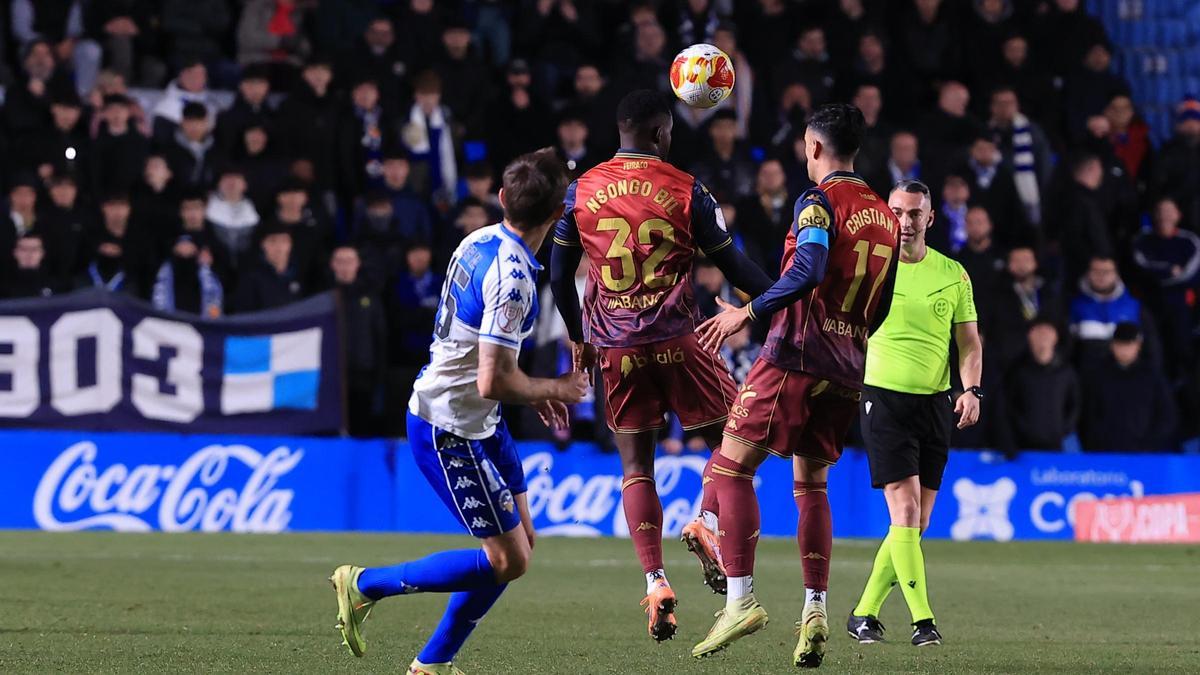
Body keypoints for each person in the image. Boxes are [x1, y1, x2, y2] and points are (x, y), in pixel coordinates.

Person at [329, 149, 589, 674]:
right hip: (448, 426)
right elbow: (493, 377)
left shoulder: (480, 239)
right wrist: (554, 388)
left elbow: (487, 368)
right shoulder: (514, 278)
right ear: (559, 215)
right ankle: (363, 586)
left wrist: (534, 391)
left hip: (479, 418)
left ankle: (432, 663)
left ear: (500, 201)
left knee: (521, 547)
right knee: (507, 559)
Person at [549, 90, 775, 642]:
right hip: (679, 340)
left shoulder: (581, 191)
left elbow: (556, 274)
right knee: (737, 443)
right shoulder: (687, 189)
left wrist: (578, 339)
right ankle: (707, 519)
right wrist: (780, 297)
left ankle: (655, 581)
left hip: (615, 348)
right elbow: (733, 263)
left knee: (636, 468)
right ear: (660, 133)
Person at [691, 103, 899, 666]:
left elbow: (807, 269)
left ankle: (740, 600)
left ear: (813, 148)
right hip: (847, 367)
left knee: (731, 467)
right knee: (811, 487)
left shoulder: (818, 202)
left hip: (795, 357)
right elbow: (881, 305)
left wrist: (748, 312)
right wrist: (850, 339)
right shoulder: (886, 216)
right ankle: (815, 609)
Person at [846, 178, 981, 648]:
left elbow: (968, 341)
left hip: (936, 404)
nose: (905, 221)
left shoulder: (953, 273)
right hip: (883, 399)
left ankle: (863, 613)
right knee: (904, 512)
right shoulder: (871, 269)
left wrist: (972, 390)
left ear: (930, 219)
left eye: (913, 213)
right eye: (897, 212)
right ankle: (924, 623)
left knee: (915, 525)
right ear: (887, 214)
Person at [1080, 323, 1177, 452]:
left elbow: (1166, 415)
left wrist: (1149, 445)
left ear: (1138, 346)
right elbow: (1088, 415)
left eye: (1129, 345)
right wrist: (1096, 443)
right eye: (1120, 345)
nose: (1124, 350)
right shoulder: (1098, 375)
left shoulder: (1152, 376)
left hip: (1144, 454)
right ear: (1112, 346)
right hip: (1105, 452)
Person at [1005, 319, 1080, 450]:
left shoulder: (1066, 372)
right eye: (1038, 335)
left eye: (1046, 335)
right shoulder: (1019, 372)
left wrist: (1063, 430)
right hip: (1024, 445)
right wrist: (1023, 430)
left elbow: (1075, 404)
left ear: (1055, 338)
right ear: (1029, 338)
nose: (1042, 340)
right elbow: (1011, 406)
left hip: (1057, 443)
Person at [151, 233, 223, 316]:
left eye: (188, 244)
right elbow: (157, 298)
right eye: (181, 244)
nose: (185, 247)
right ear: (174, 248)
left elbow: (215, 300)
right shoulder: (164, 272)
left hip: (199, 321)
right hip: (172, 322)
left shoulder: (207, 274)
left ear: (195, 249)